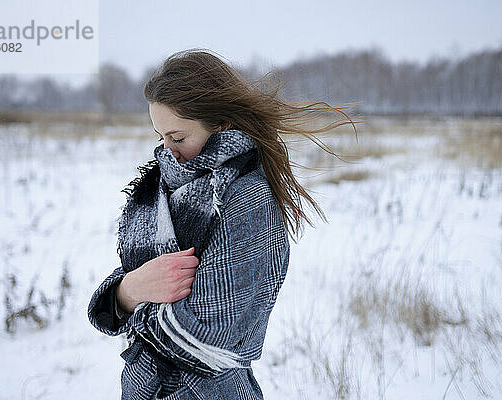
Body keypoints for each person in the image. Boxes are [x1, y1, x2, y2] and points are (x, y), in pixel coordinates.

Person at [87, 48, 359, 399]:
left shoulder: (245, 197)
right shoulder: (161, 189)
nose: (167, 151)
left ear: (220, 125)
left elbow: (209, 337)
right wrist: (131, 289)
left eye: (178, 137)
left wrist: (134, 303)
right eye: (160, 137)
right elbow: (129, 283)